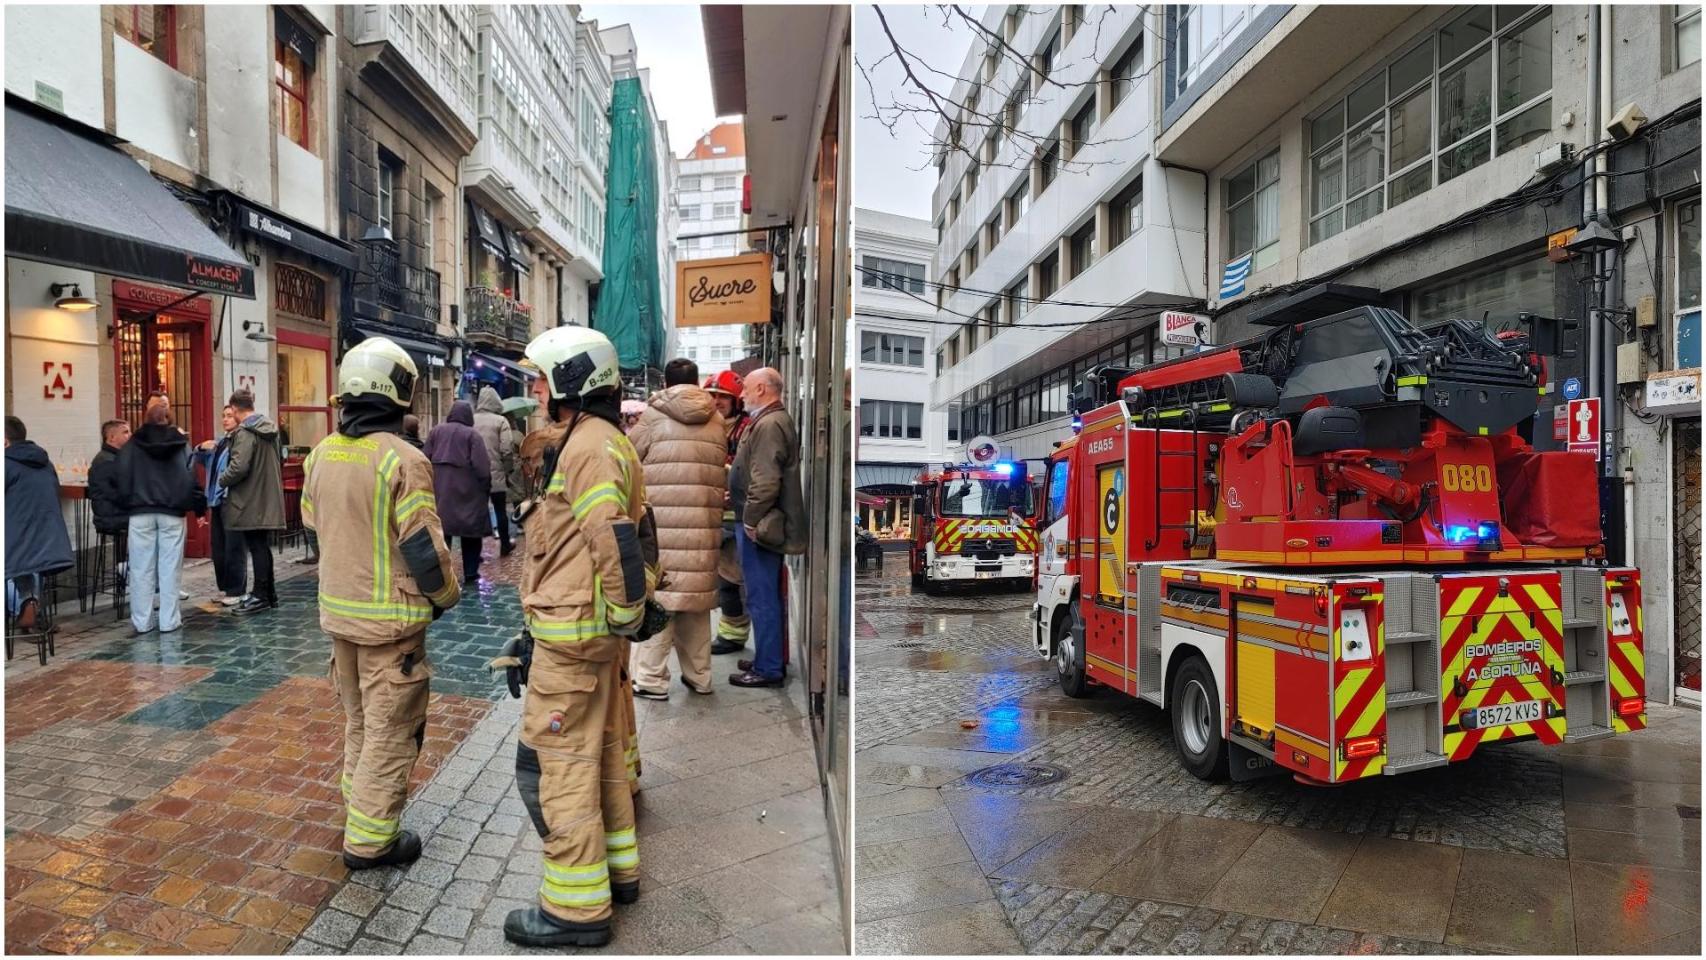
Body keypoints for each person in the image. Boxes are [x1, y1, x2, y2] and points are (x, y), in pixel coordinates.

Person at [505, 326, 652, 948]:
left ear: (573, 378)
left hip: (573, 638)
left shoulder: (588, 447)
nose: (536, 389)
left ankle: (574, 909)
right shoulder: (597, 440)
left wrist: (624, 616)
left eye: (543, 377)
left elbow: (612, 537)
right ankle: (618, 873)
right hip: (584, 633)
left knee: (550, 765)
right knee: (601, 755)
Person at [303, 336, 461, 871]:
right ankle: (370, 840)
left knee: (359, 723)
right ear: (398, 392)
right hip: (391, 627)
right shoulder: (404, 458)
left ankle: (359, 809)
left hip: (339, 616)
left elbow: (311, 519)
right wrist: (445, 597)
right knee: (391, 730)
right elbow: (422, 544)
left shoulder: (323, 451)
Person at [628, 359, 725, 699]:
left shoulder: (653, 417)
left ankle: (651, 680)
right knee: (696, 604)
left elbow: (629, 455)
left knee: (662, 600)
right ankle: (700, 676)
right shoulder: (717, 420)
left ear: (666, 383)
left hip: (664, 526)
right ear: (696, 382)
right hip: (704, 527)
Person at [727, 368, 807, 688]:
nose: (741, 395)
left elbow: (766, 481)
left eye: (745, 389)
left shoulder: (770, 423)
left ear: (761, 389)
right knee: (763, 595)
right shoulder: (770, 420)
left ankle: (769, 667)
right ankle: (767, 658)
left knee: (762, 597)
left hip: (761, 525)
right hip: (761, 519)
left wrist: (749, 519)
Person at [118, 406, 201, 635]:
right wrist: (195, 506)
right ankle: (169, 620)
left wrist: (128, 502)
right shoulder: (180, 444)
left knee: (140, 568)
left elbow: (122, 475)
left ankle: (142, 621)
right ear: (169, 420)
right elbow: (189, 478)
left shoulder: (133, 444)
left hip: (140, 511)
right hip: (172, 512)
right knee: (169, 568)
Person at [219, 389, 286, 616]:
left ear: (236, 409)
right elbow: (281, 459)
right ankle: (268, 593)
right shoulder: (269, 428)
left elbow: (239, 466)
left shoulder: (246, 432)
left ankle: (260, 596)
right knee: (261, 545)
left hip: (250, 499)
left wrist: (222, 479)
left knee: (256, 545)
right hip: (268, 496)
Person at [5, 416, 75, 630]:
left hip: (17, 539)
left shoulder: (5, 463)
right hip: (48, 538)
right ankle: (31, 603)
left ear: (4, 441)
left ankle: (26, 605)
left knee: (15, 560)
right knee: (27, 563)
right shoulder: (45, 462)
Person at [704, 371, 753, 656]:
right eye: (712, 396)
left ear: (736, 400)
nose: (717, 402)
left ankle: (735, 634)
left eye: (723, 396)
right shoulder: (709, 426)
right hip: (713, 516)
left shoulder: (745, 428)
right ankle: (731, 633)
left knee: (736, 581)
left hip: (737, 517)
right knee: (723, 581)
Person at [423, 400, 492, 584]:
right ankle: (470, 572)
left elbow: (424, 459)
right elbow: (482, 468)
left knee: (442, 533)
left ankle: (442, 571)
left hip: (441, 492)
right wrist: (485, 488)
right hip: (468, 494)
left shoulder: (436, 432)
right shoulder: (472, 436)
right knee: (471, 536)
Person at [196, 406, 249, 607]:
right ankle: (225, 587)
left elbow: (239, 468)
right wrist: (201, 448)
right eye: (223, 415)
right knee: (218, 547)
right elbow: (199, 461)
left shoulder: (240, 441)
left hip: (231, 498)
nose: (225, 419)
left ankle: (237, 589)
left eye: (229, 416)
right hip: (215, 499)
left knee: (234, 546)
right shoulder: (219, 441)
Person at [472, 386, 516, 557]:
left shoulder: (472, 420)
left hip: (476, 475)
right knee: (500, 511)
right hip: (496, 475)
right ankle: (505, 545)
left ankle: (476, 553)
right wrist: (507, 470)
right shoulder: (501, 421)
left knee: (476, 512)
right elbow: (507, 449)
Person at [88, 419, 132, 539]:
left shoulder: (115, 458)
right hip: (112, 516)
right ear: (112, 437)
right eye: (125, 432)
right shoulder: (106, 462)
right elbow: (115, 494)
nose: (130, 435)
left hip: (116, 513)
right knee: (151, 522)